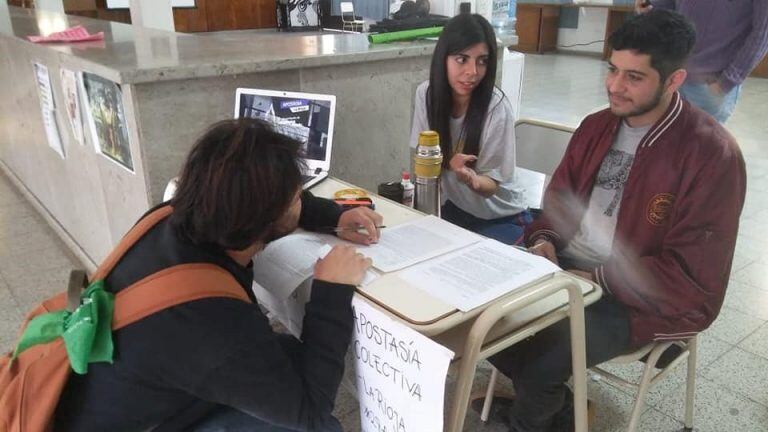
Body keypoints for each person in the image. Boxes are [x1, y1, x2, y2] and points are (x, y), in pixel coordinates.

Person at [483, 10, 746, 431]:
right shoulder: (595, 127)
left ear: (674, 80)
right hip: (572, 269)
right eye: (612, 70)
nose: (614, 86)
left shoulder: (711, 155)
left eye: (634, 77)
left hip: (641, 296)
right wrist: (545, 241)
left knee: (542, 357)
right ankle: (560, 411)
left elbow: (692, 276)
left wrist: (596, 278)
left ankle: (530, 419)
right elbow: (558, 205)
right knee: (486, 323)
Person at [53, 118, 383, 431]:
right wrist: (330, 290)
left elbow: (268, 208)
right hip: (142, 422)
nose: (302, 200)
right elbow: (311, 410)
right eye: (297, 196)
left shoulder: (174, 217)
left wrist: (334, 217)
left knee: (292, 358)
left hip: (116, 388)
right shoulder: (213, 320)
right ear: (263, 218)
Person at [409, 13, 533, 245]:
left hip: (503, 217)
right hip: (459, 211)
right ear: (443, 58)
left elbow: (491, 187)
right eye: (462, 59)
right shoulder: (426, 95)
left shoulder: (496, 107)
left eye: (482, 61)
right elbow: (425, 163)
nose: (472, 71)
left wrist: (472, 180)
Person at [635, 0, 768, 123]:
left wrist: (728, 79)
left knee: (702, 143)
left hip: (711, 82)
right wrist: (649, 9)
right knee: (668, 137)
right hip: (673, 70)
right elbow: (667, 6)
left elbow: (762, 33)